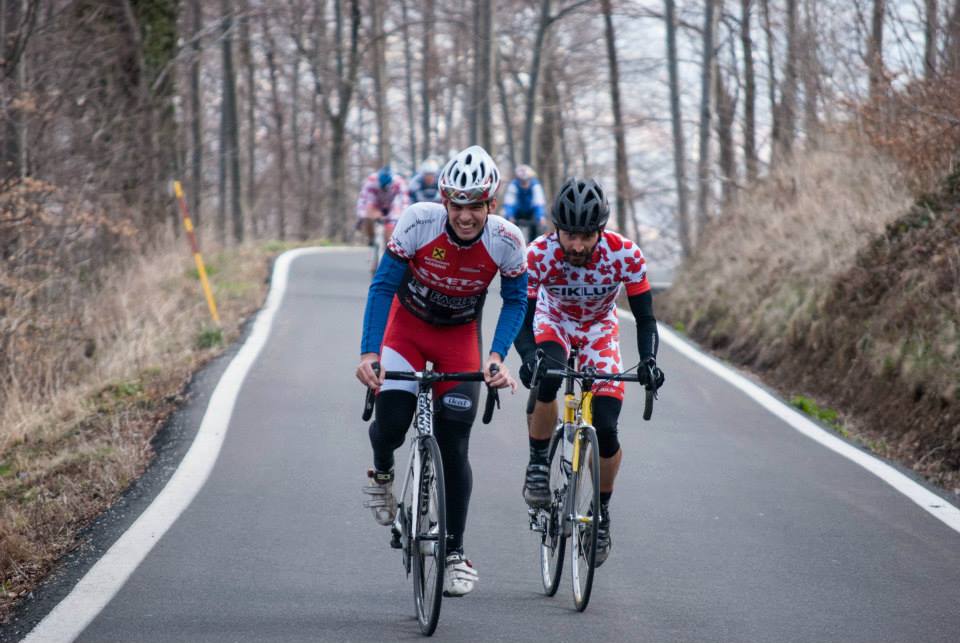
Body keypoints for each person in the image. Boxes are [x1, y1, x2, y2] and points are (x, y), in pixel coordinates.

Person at [356, 145, 528, 597]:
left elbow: (515, 301)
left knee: (454, 442)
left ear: (490, 204)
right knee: (392, 422)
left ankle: (454, 552)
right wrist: (368, 352)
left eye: (475, 206)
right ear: (444, 201)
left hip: (457, 340)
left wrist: (496, 357)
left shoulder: (507, 240)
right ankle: (381, 473)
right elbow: (382, 286)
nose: (465, 216)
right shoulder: (418, 220)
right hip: (407, 329)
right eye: (457, 204)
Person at [513, 177, 664, 567]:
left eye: (585, 236)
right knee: (547, 375)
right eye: (569, 235)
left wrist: (648, 360)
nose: (576, 245)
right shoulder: (538, 255)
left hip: (599, 328)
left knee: (608, 425)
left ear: (600, 230)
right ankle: (537, 464)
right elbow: (521, 316)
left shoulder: (624, 254)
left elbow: (646, 319)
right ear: (555, 229)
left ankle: (601, 511)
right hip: (554, 320)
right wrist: (529, 355)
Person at [356, 165, 410, 255]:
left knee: (389, 235)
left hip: (392, 205)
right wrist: (362, 215)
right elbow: (363, 199)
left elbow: (404, 202)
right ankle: (371, 238)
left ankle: (387, 249)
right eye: (382, 187)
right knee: (368, 215)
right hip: (376, 203)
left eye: (386, 187)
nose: (384, 189)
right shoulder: (371, 180)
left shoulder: (399, 182)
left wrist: (402, 218)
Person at [502, 164, 546, 243]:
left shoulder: (535, 185)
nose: (524, 184)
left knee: (537, 229)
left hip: (531, 212)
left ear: (530, 179)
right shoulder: (513, 185)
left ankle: (534, 245)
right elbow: (509, 202)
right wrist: (510, 216)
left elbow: (538, 202)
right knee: (510, 228)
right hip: (517, 212)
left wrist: (540, 217)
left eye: (526, 181)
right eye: (522, 181)